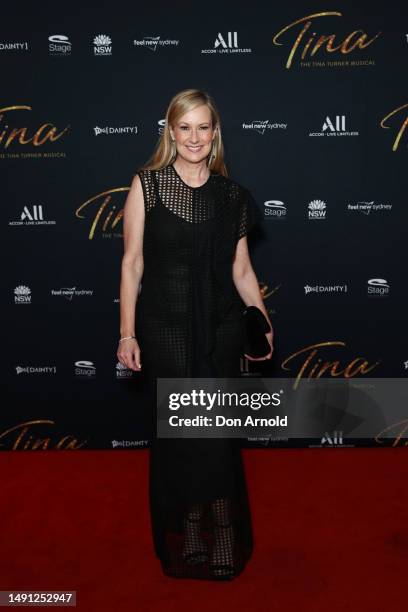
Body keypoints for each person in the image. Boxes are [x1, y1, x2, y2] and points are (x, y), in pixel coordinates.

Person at [117, 88, 273, 580]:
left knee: (218, 436)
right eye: (184, 127)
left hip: (221, 329)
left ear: (215, 133)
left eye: (203, 127)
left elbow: (242, 269)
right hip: (164, 330)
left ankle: (223, 533)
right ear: (171, 131)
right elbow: (133, 263)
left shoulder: (233, 197)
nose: (194, 137)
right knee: (182, 438)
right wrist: (126, 333)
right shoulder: (148, 185)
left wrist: (261, 322)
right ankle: (188, 531)